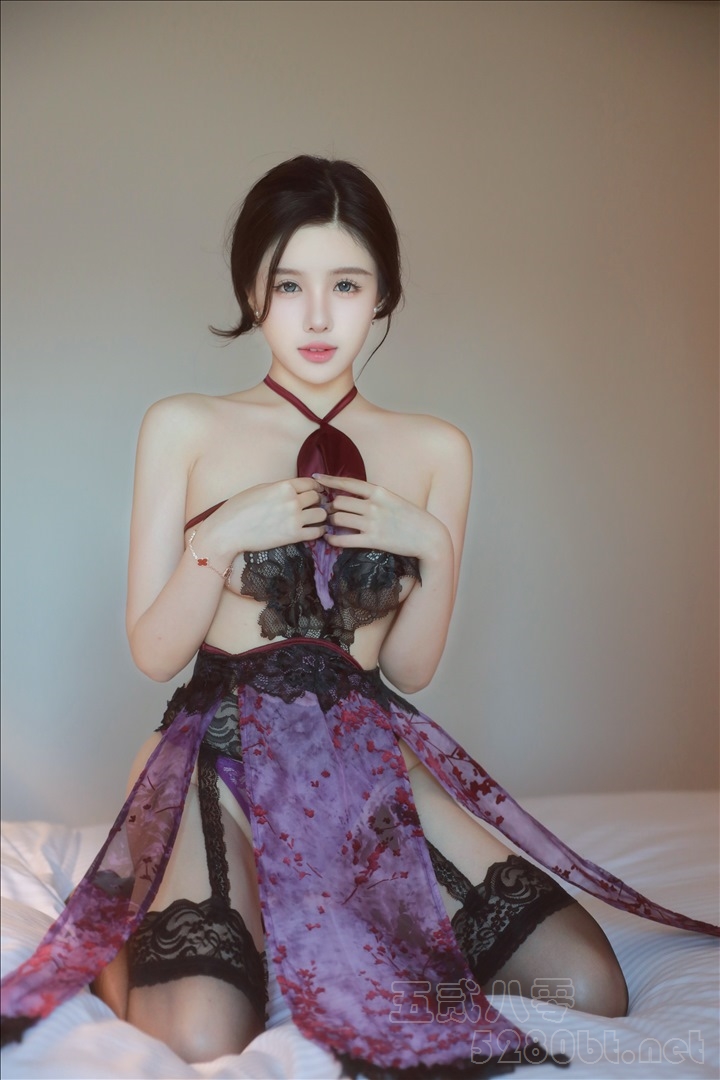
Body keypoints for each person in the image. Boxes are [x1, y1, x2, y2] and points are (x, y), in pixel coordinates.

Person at [1, 156, 717, 1078]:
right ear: (251, 291)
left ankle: (330, 946)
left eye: (345, 285)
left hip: (364, 756)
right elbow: (153, 649)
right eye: (288, 285)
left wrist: (433, 546)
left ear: (382, 297)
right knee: (200, 1035)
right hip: (218, 750)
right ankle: (127, 936)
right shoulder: (185, 426)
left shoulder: (436, 450)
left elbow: (410, 669)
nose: (316, 317)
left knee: (586, 985)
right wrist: (222, 537)